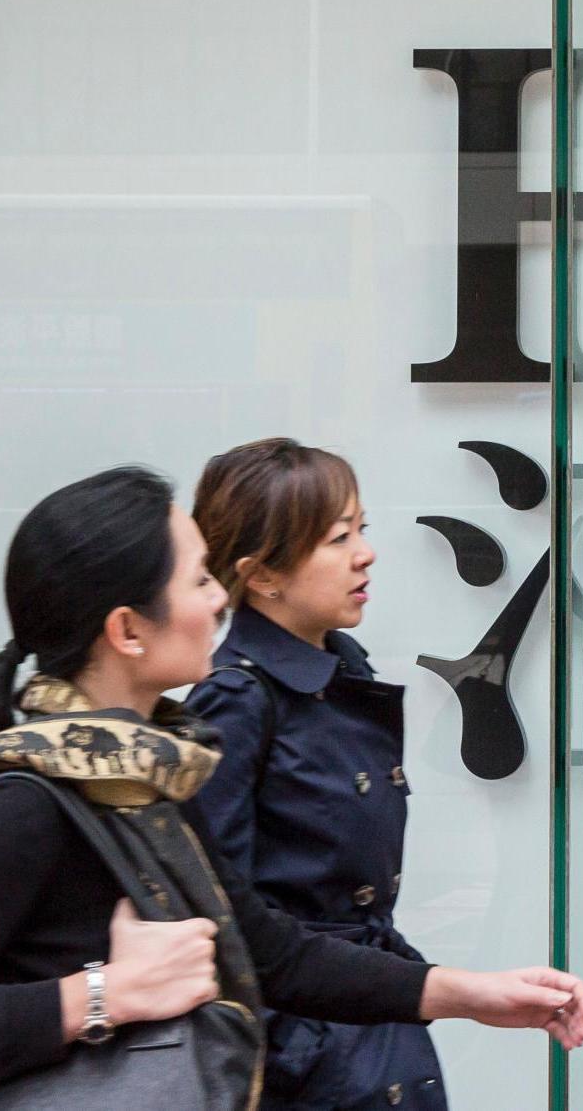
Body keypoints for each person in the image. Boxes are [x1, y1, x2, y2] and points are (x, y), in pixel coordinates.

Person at [0, 465, 583, 1103]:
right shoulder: (27, 802)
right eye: (199, 578)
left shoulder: (152, 776)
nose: (218, 601)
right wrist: (103, 994)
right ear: (128, 630)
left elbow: (274, 952)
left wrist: (474, 994)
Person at [182, 439, 449, 1110]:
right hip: (310, 1057)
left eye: (362, 528)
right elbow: (220, 917)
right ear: (263, 573)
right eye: (337, 537)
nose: (366, 552)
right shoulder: (239, 696)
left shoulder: (340, 671)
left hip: (366, 1019)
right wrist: (300, 1050)